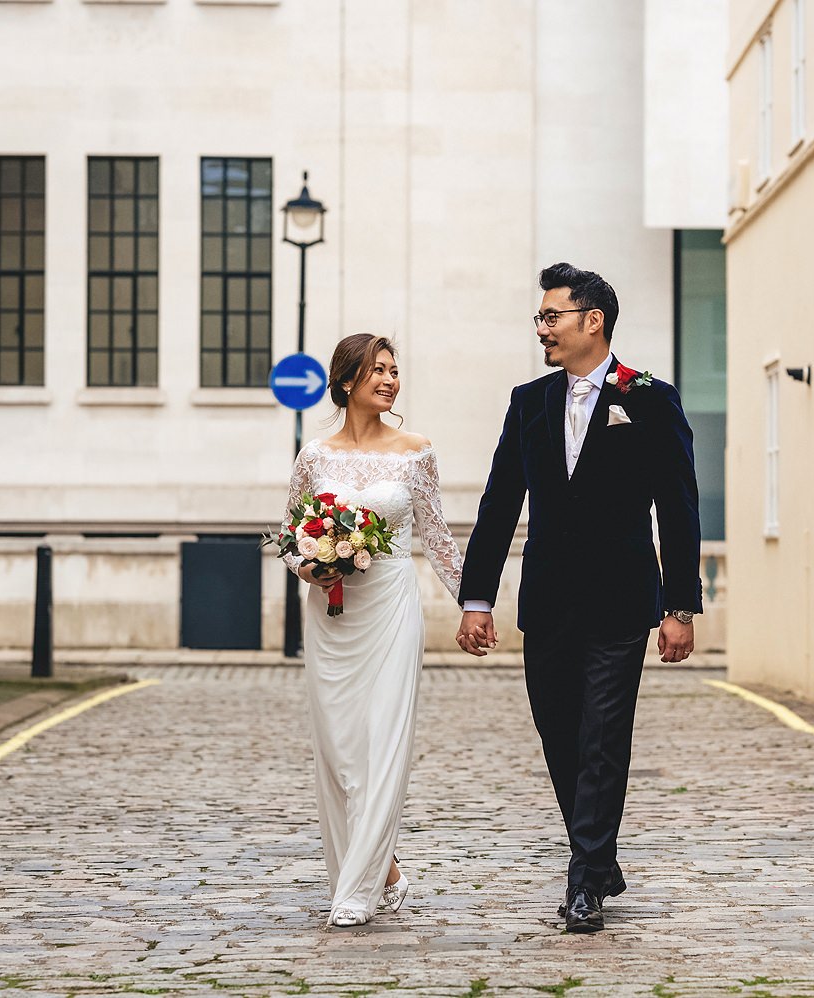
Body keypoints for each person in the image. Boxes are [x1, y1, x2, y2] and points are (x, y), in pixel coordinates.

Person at [455, 262, 703, 933]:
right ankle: (600, 858)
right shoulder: (528, 401)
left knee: (602, 740)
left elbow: (679, 509)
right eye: (539, 317)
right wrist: (477, 597)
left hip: (621, 603)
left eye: (551, 316)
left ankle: (584, 881)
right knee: (560, 735)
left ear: (593, 320)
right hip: (547, 602)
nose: (541, 328)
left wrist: (680, 607)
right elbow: (499, 503)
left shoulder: (650, 398)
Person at [282, 333, 463, 928]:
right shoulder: (314, 457)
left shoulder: (416, 452)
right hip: (331, 613)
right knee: (339, 750)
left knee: (382, 740)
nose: (389, 380)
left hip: (390, 606)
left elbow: (438, 538)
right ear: (346, 382)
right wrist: (309, 564)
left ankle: (356, 890)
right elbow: (289, 536)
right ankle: (382, 870)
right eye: (376, 371)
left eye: (393, 370)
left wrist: (475, 604)